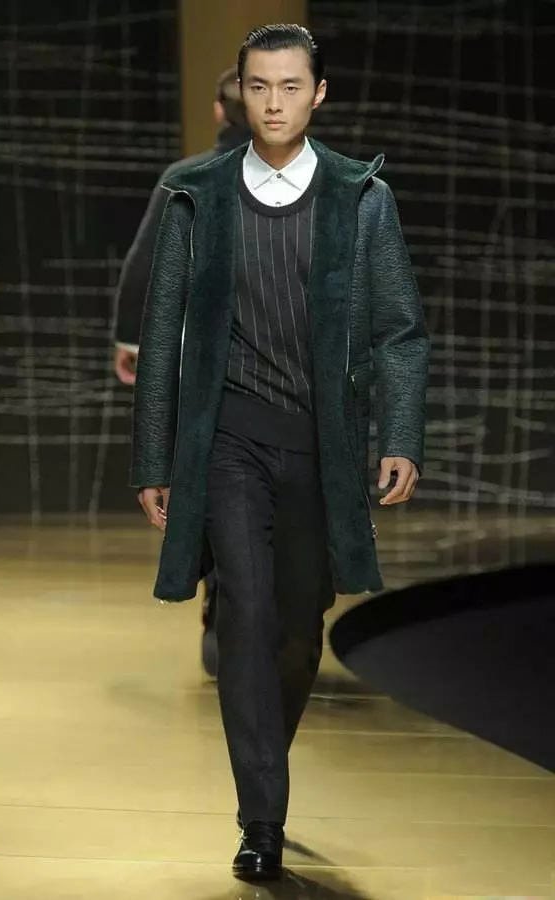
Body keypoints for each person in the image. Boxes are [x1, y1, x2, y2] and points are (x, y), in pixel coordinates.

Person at [131, 24, 430, 882]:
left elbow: (400, 330)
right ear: (241, 92)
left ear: (318, 94)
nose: (273, 102)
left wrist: (400, 436)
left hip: (321, 449)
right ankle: (261, 818)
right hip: (228, 441)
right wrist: (154, 457)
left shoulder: (360, 197)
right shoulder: (197, 195)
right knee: (246, 615)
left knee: (299, 630)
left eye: (291, 86)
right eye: (260, 86)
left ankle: (264, 759)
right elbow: (162, 331)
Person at [114, 68, 250, 677]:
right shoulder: (315, 178)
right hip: (289, 368)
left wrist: (131, 341)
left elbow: (145, 264)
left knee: (211, 475)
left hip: (201, 364)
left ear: (219, 112)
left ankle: (223, 597)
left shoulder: (187, 176)